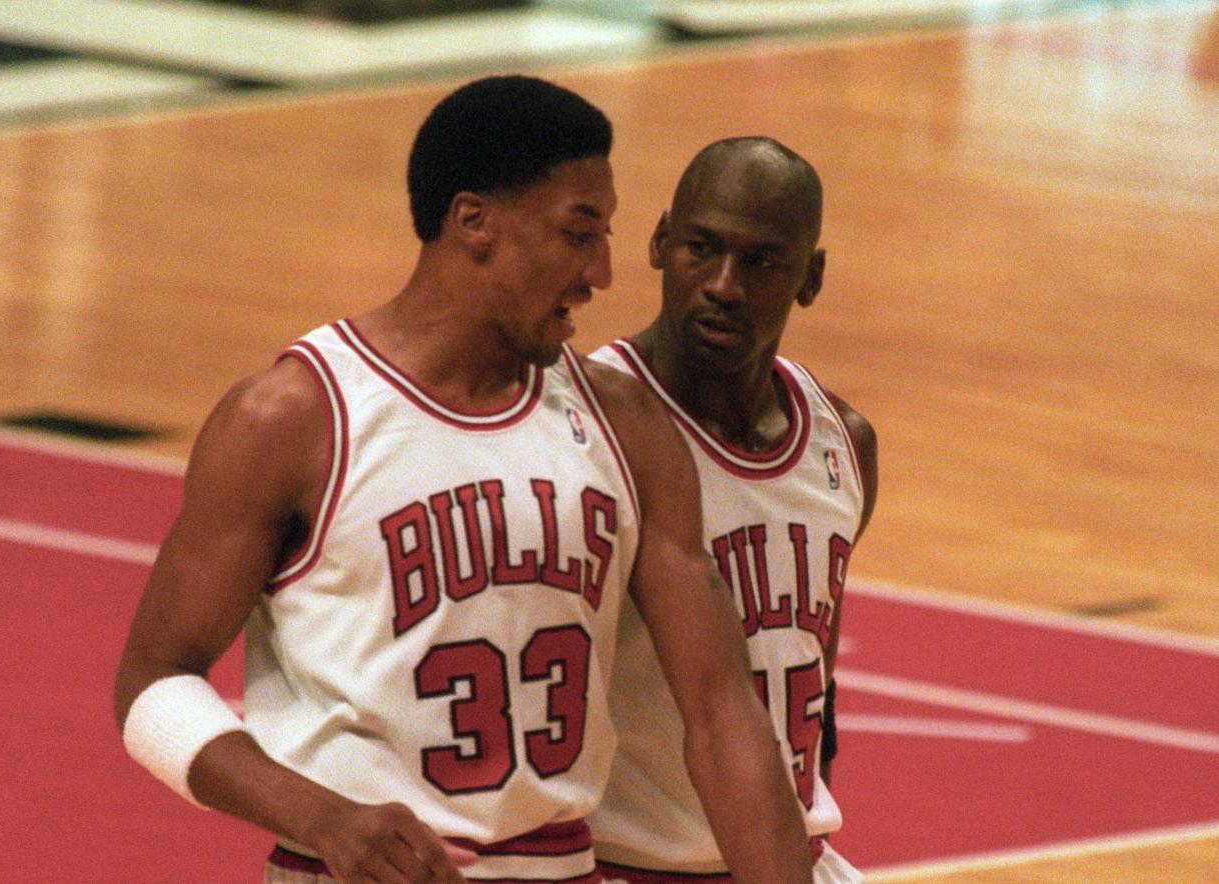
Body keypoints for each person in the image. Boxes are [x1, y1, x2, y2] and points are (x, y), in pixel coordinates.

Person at [114, 77, 816, 884]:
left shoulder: (627, 424)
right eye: (579, 233)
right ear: (473, 221)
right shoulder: (295, 418)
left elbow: (723, 716)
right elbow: (153, 683)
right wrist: (318, 814)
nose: (604, 271)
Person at [588, 137, 878, 884]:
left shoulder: (843, 442)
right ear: (658, 243)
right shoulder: (587, 426)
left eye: (761, 262)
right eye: (702, 249)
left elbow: (818, 681)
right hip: (627, 865)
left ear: (810, 277)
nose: (723, 284)